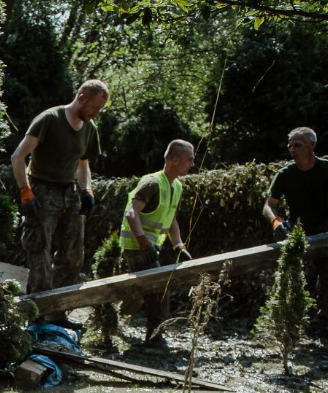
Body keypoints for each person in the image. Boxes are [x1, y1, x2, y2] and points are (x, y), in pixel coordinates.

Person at [11, 80, 108, 295]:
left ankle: (59, 311)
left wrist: (87, 191)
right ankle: (38, 312)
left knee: (73, 254)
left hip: (70, 192)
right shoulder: (49, 119)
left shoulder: (90, 129)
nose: (96, 113)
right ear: (81, 98)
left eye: (100, 109)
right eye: (94, 107)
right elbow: (18, 156)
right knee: (40, 251)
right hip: (42, 191)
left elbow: (83, 165)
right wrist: (25, 192)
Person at [262, 126, 328, 340]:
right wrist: (275, 222)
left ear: (312, 146)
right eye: (290, 145)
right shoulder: (285, 174)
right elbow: (269, 205)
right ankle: (297, 324)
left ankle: (327, 324)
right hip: (297, 232)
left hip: (324, 231)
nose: (292, 149)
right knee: (297, 279)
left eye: (297, 145)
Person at [118, 139, 196, 347]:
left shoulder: (176, 186)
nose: (192, 164)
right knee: (158, 289)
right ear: (175, 159)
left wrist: (180, 246)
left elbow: (171, 220)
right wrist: (144, 242)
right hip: (137, 246)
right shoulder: (152, 183)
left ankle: (115, 315)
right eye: (189, 159)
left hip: (151, 247)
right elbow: (131, 213)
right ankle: (154, 337)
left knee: (142, 291)